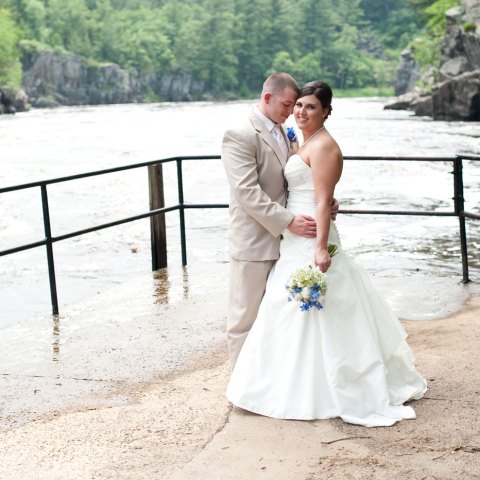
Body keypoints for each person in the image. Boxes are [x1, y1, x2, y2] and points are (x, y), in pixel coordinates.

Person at [227, 81, 427, 428]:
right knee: (271, 313)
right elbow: (266, 188)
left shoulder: (322, 145)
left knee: (316, 311)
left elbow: (321, 197)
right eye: (296, 105)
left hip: (309, 237)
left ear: (326, 112)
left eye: (308, 107)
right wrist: (310, 209)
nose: (298, 112)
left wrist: (321, 242)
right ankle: (262, 384)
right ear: (271, 99)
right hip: (286, 235)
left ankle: (322, 387)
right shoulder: (289, 136)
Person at [221, 72, 338, 368]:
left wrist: (322, 201)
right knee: (244, 318)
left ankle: (271, 377)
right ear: (267, 97)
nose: (292, 112)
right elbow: (247, 191)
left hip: (289, 242)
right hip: (255, 240)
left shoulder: (287, 133)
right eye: (288, 105)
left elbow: (296, 179)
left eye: (297, 105)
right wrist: (288, 220)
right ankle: (241, 385)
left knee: (276, 316)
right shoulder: (240, 133)